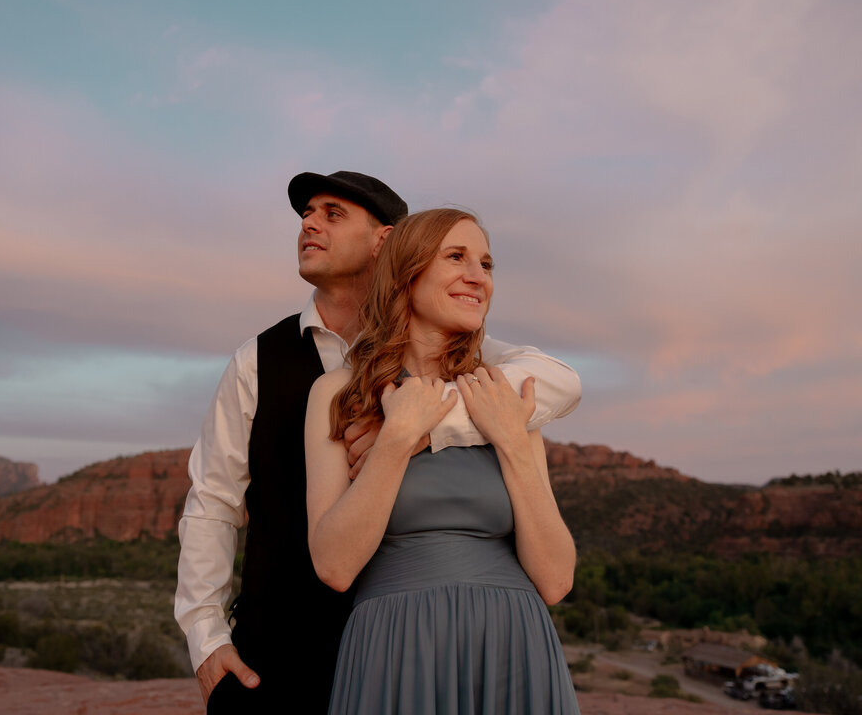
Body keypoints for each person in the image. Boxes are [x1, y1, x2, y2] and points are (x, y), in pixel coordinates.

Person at [175, 173, 581, 714]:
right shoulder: (265, 364)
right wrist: (206, 637)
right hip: (310, 645)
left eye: (333, 213)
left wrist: (444, 425)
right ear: (410, 270)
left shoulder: (493, 378)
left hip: (504, 645)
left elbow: (562, 382)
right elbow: (213, 501)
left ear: (387, 242)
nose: (309, 224)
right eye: (307, 214)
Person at [306, 207, 581, 714]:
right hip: (396, 647)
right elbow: (334, 566)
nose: (478, 277)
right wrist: (396, 439)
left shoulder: (502, 396)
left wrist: (512, 441)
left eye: (487, 263)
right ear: (407, 274)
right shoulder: (338, 393)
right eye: (456, 257)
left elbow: (556, 580)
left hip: (512, 646)